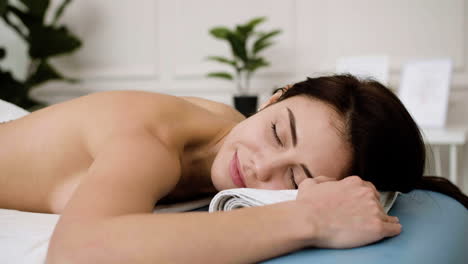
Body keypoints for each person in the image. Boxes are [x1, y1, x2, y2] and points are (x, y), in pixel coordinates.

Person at [0, 74, 466, 263]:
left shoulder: (228, 133)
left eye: (297, 177)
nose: (262, 167)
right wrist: (310, 218)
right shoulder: (149, 140)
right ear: (276, 95)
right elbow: (79, 252)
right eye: (279, 134)